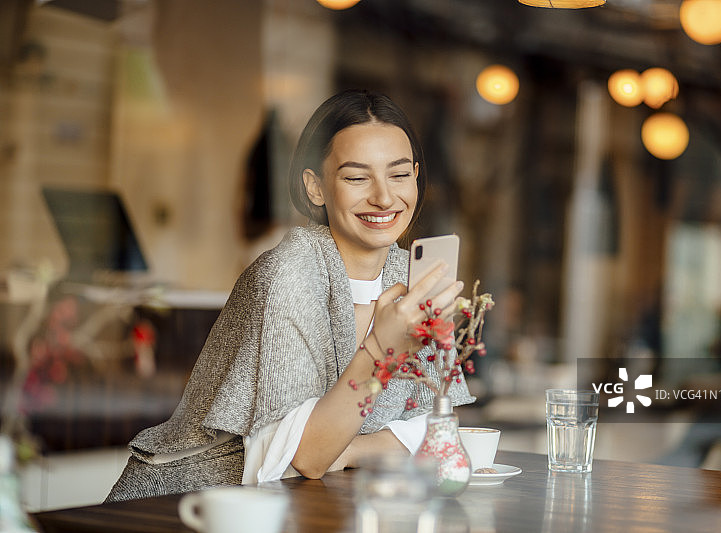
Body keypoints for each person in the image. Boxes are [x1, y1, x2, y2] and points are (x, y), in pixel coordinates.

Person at [106, 89, 474, 501]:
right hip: (183, 504)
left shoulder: (410, 275)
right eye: (356, 177)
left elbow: (439, 428)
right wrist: (379, 348)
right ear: (315, 187)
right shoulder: (291, 272)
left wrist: (349, 450)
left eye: (400, 174)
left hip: (305, 506)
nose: (384, 197)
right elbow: (310, 457)